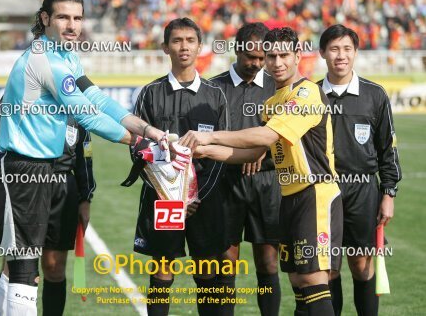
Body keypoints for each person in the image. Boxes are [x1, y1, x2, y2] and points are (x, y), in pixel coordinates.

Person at [0, 0, 165, 315]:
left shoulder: (67, 56)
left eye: (78, 18)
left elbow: (97, 99)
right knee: (24, 273)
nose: (72, 25)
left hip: (54, 170)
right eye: (63, 17)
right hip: (23, 171)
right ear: (45, 19)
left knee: (38, 269)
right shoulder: (45, 61)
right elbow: (86, 115)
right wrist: (138, 142)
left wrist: (147, 129)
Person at [180, 27, 343, 316]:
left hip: (314, 194)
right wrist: (200, 150)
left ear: (297, 57)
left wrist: (210, 137)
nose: (276, 63)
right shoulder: (271, 103)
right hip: (289, 197)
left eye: (283, 55)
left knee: (312, 279)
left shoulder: (307, 92)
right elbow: (252, 153)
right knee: (297, 281)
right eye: (271, 56)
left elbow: (266, 137)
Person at [132, 17, 231, 316]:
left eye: (190, 40)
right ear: (165, 47)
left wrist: (194, 197)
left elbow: (222, 151)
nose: (183, 46)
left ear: (200, 46)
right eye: (176, 41)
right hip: (162, 202)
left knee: (207, 273)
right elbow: (138, 149)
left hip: (205, 201)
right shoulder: (150, 93)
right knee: (162, 273)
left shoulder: (216, 95)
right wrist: (171, 197)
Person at [317, 24, 402, 316]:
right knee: (327, 268)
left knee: (362, 265)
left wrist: (388, 193)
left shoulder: (375, 95)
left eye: (347, 49)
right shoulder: (310, 95)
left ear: (355, 53)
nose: (341, 55)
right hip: (323, 192)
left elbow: (388, 149)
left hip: (364, 191)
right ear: (322, 53)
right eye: (334, 49)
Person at [0, 106, 95, 316]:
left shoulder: (74, 99)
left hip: (62, 188)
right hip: (24, 184)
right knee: (15, 268)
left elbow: (85, 150)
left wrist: (85, 197)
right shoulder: (18, 94)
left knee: (54, 268)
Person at [209, 22, 281, 316]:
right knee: (227, 261)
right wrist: (243, 153)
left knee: (268, 261)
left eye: (262, 58)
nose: (256, 63)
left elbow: (291, 135)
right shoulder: (214, 87)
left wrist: (261, 148)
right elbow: (208, 133)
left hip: (267, 181)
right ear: (237, 49)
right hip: (226, 183)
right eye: (250, 56)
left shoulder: (279, 88)